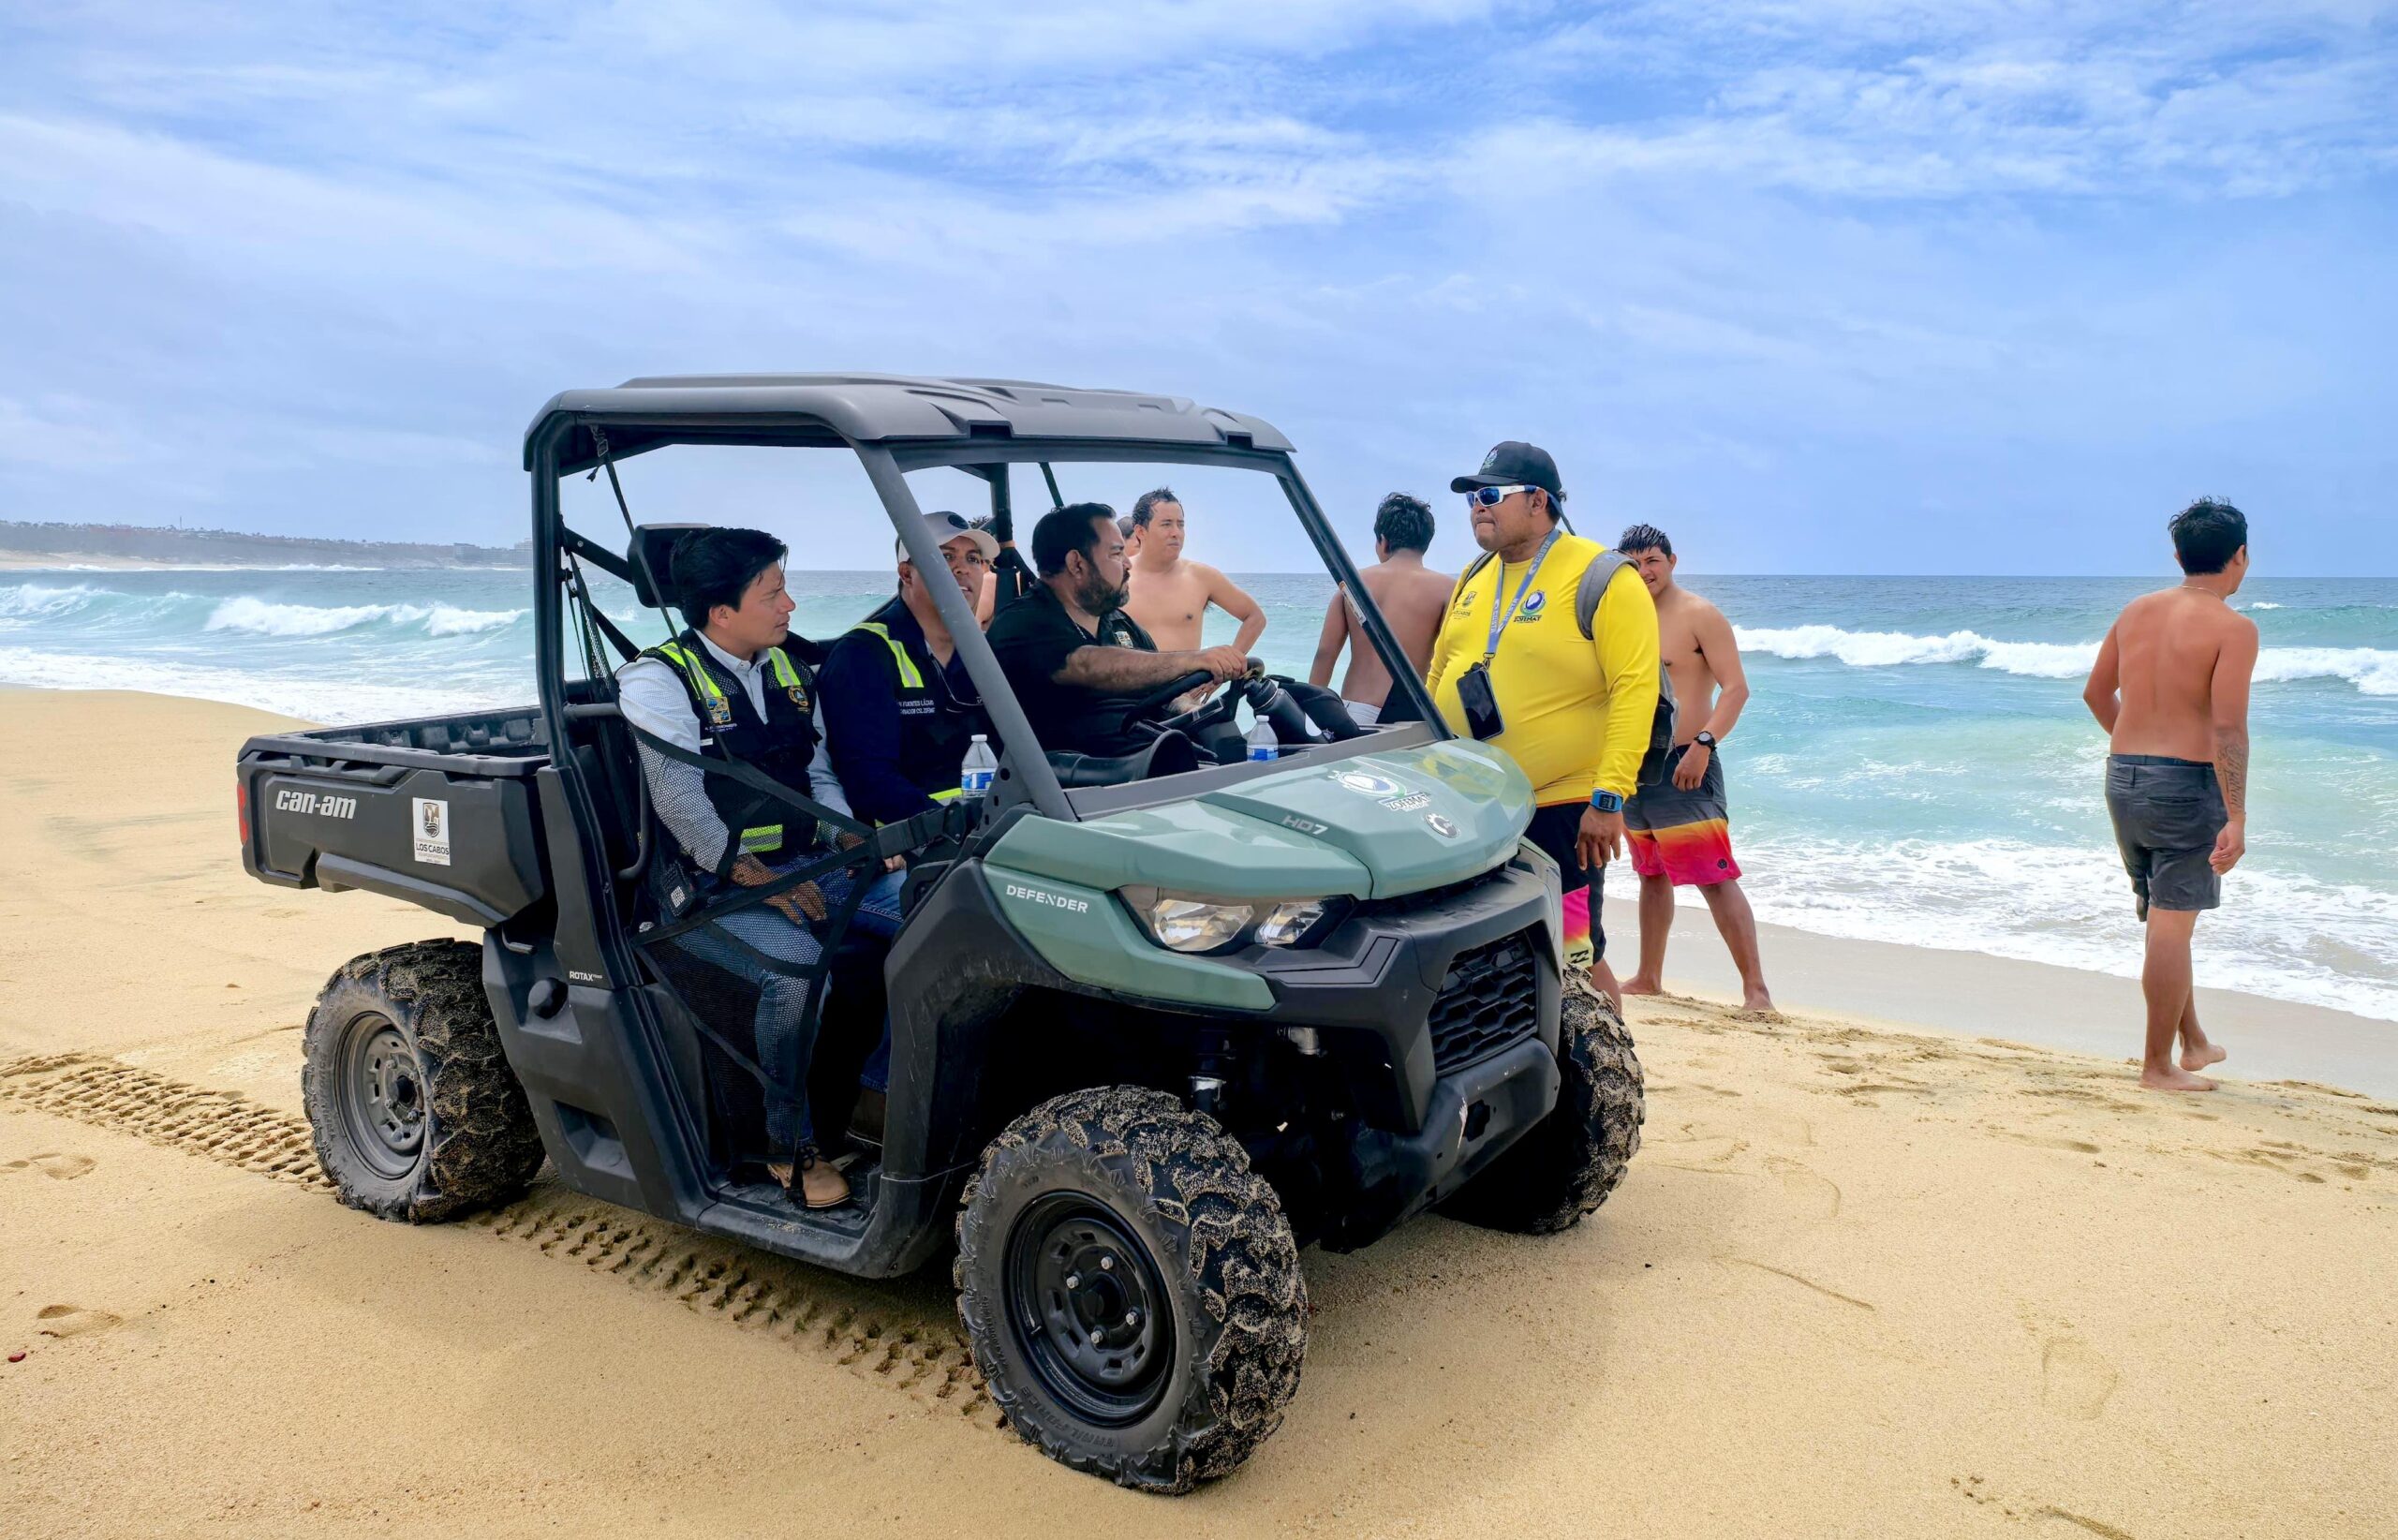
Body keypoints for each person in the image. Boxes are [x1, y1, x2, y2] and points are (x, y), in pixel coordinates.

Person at [617, 527, 898, 1208]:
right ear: (721, 612)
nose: (790, 606)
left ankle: (880, 1099)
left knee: (936, 908)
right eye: (773, 594)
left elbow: (817, 777)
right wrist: (761, 882)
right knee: (797, 977)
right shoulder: (658, 682)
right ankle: (787, 1143)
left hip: (810, 863)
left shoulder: (789, 671)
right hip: (709, 888)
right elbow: (683, 806)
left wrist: (854, 841)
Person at [1425, 442, 1661, 1008]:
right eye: (1471, 499)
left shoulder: (1602, 575)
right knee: (1485, 950)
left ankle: (1603, 1074)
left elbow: (1636, 689)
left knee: (1576, 951)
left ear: (1538, 501)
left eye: (1490, 495)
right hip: (1473, 807)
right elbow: (1438, 675)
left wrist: (1608, 800)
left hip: (1564, 811)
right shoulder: (1474, 575)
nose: (1477, 508)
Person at [2081, 497, 2258, 1092]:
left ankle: (2193, 1042)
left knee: (2162, 914)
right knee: (2171, 926)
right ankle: (2157, 1068)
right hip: (2184, 787)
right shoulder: (2234, 629)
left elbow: (2095, 694)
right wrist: (2236, 815)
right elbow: (2228, 729)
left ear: (2179, 555)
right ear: (2240, 556)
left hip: (2124, 777)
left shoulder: (2136, 611)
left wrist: (2138, 754)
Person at [1610, 524, 1773, 1013]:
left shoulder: (1699, 615)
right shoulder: (1619, 618)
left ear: (1672, 562)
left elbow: (1736, 688)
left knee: (1714, 877)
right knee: (1651, 874)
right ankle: (1649, 975)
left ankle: (1756, 991)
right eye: (1633, 562)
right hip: (1632, 766)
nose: (1644, 571)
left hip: (1686, 763)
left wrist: (1704, 743)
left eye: (1652, 560)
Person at [988, 503, 1249, 757]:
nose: (1128, 564)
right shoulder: (1022, 623)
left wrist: (1191, 707)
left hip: (1153, 755)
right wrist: (1193, 659)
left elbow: (1161, 693)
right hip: (1086, 781)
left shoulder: (1121, 623)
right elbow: (1088, 665)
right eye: (1116, 554)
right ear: (1076, 564)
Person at [1307, 492, 1453, 726]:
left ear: (1382, 541)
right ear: (1426, 542)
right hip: (1411, 714)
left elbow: (1325, 654)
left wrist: (1310, 715)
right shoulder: (1447, 589)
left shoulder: (1351, 583)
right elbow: (1451, 658)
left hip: (1352, 711)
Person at [1121, 487, 1267, 655]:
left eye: (1180, 525)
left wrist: (1228, 667)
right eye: (1166, 524)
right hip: (1136, 680)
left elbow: (1255, 617)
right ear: (1140, 531)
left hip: (1189, 681)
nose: (1176, 533)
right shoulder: (1117, 577)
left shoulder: (1202, 577)